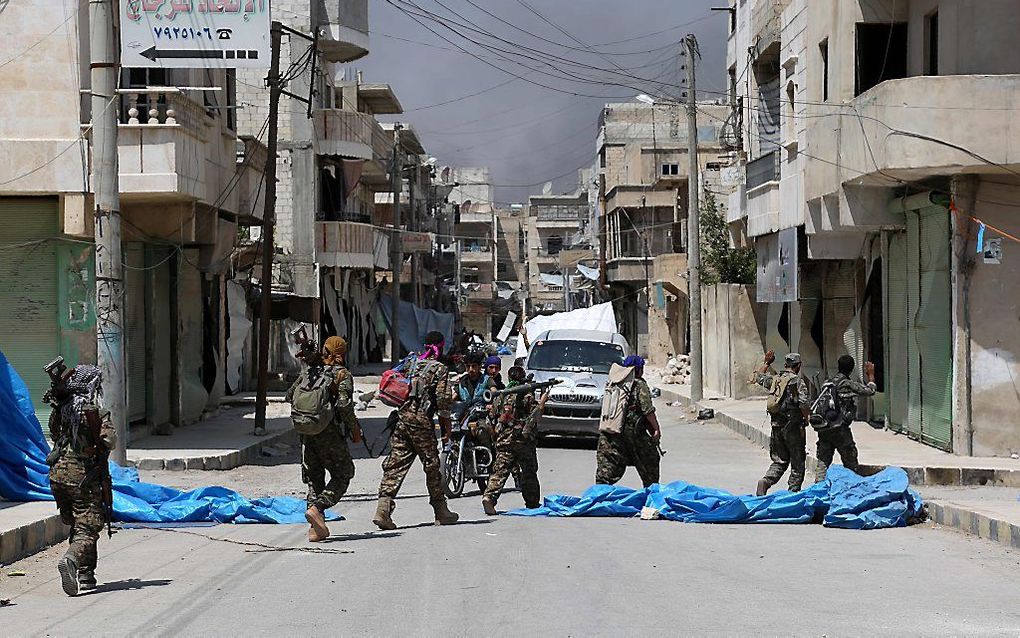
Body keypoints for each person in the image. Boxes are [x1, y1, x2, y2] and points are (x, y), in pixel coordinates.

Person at [374, 331, 459, 529]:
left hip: (402, 420)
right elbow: (443, 404)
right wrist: (447, 432)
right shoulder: (439, 369)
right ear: (441, 346)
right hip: (421, 423)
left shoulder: (410, 363)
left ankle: (383, 509)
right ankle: (441, 510)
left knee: (395, 465)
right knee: (432, 466)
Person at [47, 365, 115, 596]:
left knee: (79, 523)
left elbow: (54, 434)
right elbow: (109, 441)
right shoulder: (94, 412)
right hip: (82, 476)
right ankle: (71, 560)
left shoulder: (62, 411)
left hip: (57, 476)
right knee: (89, 525)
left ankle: (87, 575)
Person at [286, 336, 358, 542]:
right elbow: (344, 406)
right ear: (341, 353)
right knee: (343, 474)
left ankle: (315, 530)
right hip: (329, 433)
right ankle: (318, 509)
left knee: (314, 479)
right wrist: (354, 429)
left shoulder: (309, 372)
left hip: (307, 434)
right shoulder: (342, 374)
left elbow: (290, 396)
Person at [481, 366, 549, 513]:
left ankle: (489, 498)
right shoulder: (527, 396)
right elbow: (536, 416)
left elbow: (492, 417)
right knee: (529, 472)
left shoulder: (501, 396)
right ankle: (532, 502)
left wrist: (495, 436)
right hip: (524, 441)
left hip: (504, 440)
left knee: (499, 471)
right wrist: (543, 401)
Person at [595, 355, 662, 488]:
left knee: (607, 471)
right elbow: (647, 410)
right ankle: (651, 497)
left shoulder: (614, 381)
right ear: (638, 370)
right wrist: (656, 429)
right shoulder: (638, 384)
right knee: (650, 463)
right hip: (632, 434)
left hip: (610, 431)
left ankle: (598, 498)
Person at [754, 351, 810, 496]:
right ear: (798, 366)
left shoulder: (776, 380)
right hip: (793, 427)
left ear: (785, 365)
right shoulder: (797, 381)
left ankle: (766, 481)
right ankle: (793, 493)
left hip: (776, 426)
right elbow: (803, 404)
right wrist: (806, 419)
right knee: (798, 462)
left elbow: (759, 378)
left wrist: (766, 363)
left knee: (779, 461)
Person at [815, 355, 877, 481]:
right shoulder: (846, 384)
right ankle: (852, 488)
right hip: (839, 429)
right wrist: (870, 375)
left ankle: (818, 488)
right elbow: (870, 391)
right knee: (850, 461)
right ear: (852, 368)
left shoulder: (827, 383)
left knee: (823, 462)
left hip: (824, 427)